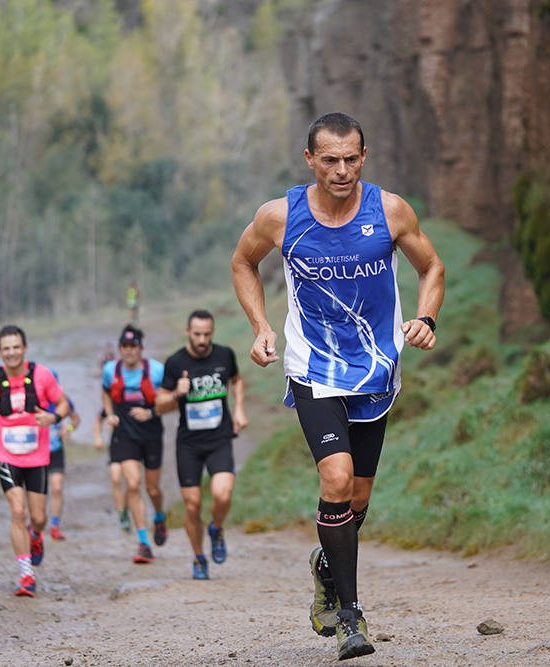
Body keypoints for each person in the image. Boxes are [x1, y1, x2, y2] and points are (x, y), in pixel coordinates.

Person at [231, 112, 445, 660]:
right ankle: (351, 617)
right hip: (313, 369)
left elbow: (432, 267)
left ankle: (327, 567)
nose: (342, 170)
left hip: (376, 369)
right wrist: (260, 327)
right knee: (337, 476)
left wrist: (427, 318)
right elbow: (243, 263)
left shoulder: (390, 210)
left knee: (358, 499)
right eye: (330, 159)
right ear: (310, 160)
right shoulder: (280, 217)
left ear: (364, 156)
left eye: (351, 158)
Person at [0, 325, 72, 598]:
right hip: (6, 456)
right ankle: (26, 575)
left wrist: (53, 418)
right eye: (6, 348)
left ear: (24, 348)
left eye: (16, 347)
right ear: (0, 351)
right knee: (17, 511)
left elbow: (63, 405)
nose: (11, 353)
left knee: (37, 517)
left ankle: (36, 536)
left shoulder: (42, 375)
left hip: (37, 456)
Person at [155, 310, 247, 580]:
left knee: (223, 493)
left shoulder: (224, 355)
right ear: (188, 332)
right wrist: (176, 393)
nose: (202, 340)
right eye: (197, 334)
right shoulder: (175, 363)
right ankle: (198, 557)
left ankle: (216, 529)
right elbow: (160, 405)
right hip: (189, 444)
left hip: (219, 438)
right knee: (192, 505)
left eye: (207, 334)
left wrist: (239, 409)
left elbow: (237, 381)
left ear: (213, 332)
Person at [101, 324, 168, 563]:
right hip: (124, 434)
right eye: (125, 347)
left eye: (134, 346)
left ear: (141, 348)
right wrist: (109, 414)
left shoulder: (157, 370)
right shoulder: (111, 370)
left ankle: (159, 516)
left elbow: (168, 401)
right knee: (133, 483)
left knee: (152, 489)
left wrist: (151, 412)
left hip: (150, 433)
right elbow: (106, 392)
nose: (129, 351)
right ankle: (143, 542)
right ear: (120, 349)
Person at [45, 372, 80, 541]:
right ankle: (35, 523)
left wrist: (68, 430)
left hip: (56, 450)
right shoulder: (33, 400)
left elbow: (75, 420)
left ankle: (54, 525)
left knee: (57, 487)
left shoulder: (62, 400)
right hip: (36, 453)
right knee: (37, 491)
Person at [93, 409, 131, 532]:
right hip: (116, 444)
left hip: (133, 446)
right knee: (115, 480)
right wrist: (98, 438)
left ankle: (126, 508)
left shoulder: (133, 401)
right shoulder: (112, 405)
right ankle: (122, 514)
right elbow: (98, 420)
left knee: (131, 483)